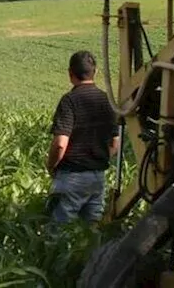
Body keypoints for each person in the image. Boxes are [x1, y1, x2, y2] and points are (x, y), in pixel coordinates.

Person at [45, 50, 120, 225]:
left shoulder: (69, 101)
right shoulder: (107, 100)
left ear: (70, 73)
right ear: (95, 72)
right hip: (98, 178)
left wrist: (51, 166)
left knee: (57, 233)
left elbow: (60, 144)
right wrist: (97, 159)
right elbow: (115, 142)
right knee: (91, 233)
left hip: (71, 176)